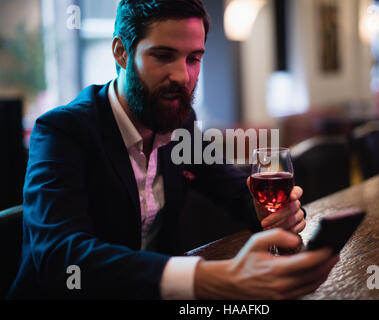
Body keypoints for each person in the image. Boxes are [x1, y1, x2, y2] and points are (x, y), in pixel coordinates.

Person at [8, 0, 339, 300]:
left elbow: (235, 190)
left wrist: (273, 212)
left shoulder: (178, 121)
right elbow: (60, 256)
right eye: (163, 56)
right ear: (121, 53)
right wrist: (205, 278)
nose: (183, 76)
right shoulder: (63, 131)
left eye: (194, 58)